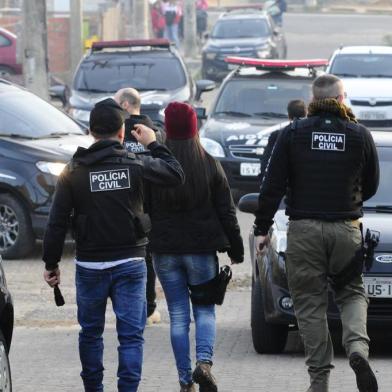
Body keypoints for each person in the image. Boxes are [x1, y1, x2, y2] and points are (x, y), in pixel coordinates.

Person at [42, 98, 184, 392]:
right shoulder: (136, 163)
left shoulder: (73, 170)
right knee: (131, 336)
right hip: (130, 263)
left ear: (91, 132)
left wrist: (51, 264)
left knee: (91, 334)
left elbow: (56, 222)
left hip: (90, 265)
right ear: (122, 132)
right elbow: (175, 174)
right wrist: (154, 143)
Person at [253, 74, 379, 392]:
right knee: (351, 293)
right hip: (346, 229)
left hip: (304, 230)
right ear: (340, 99)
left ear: (313, 99)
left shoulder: (292, 133)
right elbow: (373, 183)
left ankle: (320, 379)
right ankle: (357, 350)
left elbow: (272, 186)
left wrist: (261, 228)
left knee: (309, 304)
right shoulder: (359, 134)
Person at [148, 102, 244, 392]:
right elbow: (227, 211)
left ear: (166, 128)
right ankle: (204, 363)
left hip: (164, 250)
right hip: (202, 250)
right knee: (204, 310)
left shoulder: (155, 166)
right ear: (195, 128)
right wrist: (236, 248)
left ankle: (184, 381)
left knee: (178, 314)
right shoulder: (209, 163)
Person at [114, 87, 165, 325]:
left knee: (129, 258)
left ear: (125, 105)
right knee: (148, 258)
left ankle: (132, 307)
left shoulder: (120, 135)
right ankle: (150, 306)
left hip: (126, 205)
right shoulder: (156, 133)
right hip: (153, 208)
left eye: (116, 102)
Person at [259, 99, 307, 179]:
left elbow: (266, 162)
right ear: (305, 113)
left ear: (288, 115)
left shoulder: (278, 134)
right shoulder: (310, 134)